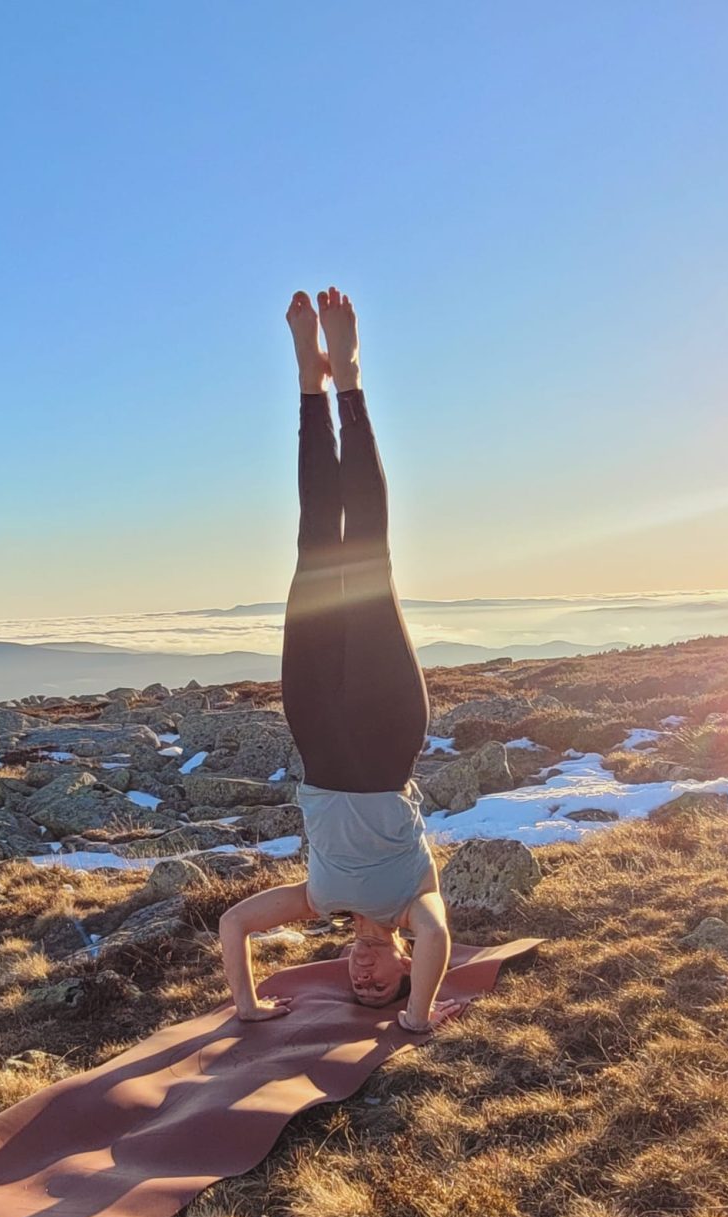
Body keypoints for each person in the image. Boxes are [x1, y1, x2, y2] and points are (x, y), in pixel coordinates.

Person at [218, 287, 460, 1034]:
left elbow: (233, 928)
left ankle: (306, 386)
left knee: (317, 546)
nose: (366, 976)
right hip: (388, 737)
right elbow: (441, 940)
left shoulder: (319, 901)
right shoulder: (415, 904)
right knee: (370, 555)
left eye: (360, 989)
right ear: (405, 966)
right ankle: (348, 379)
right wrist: (414, 1018)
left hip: (318, 735)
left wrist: (250, 1002)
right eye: (384, 983)